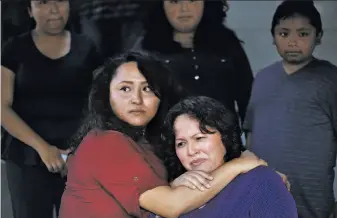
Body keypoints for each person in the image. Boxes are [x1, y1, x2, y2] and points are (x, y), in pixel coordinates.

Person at [59, 51, 266, 218]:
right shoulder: (106, 143)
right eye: (125, 89)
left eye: (148, 88)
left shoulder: (145, 142)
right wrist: (240, 166)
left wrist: (259, 179)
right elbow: (170, 206)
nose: (137, 99)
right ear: (107, 96)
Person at [1, 0, 102, 217]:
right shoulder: (13, 49)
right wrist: (43, 148)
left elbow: (100, 104)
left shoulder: (88, 47)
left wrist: (80, 150)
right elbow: (2, 107)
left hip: (79, 156)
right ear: (29, 10)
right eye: (44, 2)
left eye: (60, 1)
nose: (54, 9)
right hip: (26, 156)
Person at [243, 1, 337, 218]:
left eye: (303, 34)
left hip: (312, 204)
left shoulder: (330, 80)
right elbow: (251, 136)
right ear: (273, 36)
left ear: (319, 36)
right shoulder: (263, 78)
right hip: (262, 200)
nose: (293, 41)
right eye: (284, 34)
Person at [148, 96, 298, 218]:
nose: (191, 150)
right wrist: (172, 188)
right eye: (181, 143)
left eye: (199, 138)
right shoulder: (169, 195)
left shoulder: (261, 181)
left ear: (225, 138)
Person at [140, 0, 253, 126]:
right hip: (169, 141)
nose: (184, 9)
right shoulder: (146, 51)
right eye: (174, 1)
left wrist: (252, 134)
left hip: (225, 141)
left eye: (192, 0)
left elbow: (248, 97)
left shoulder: (227, 43)